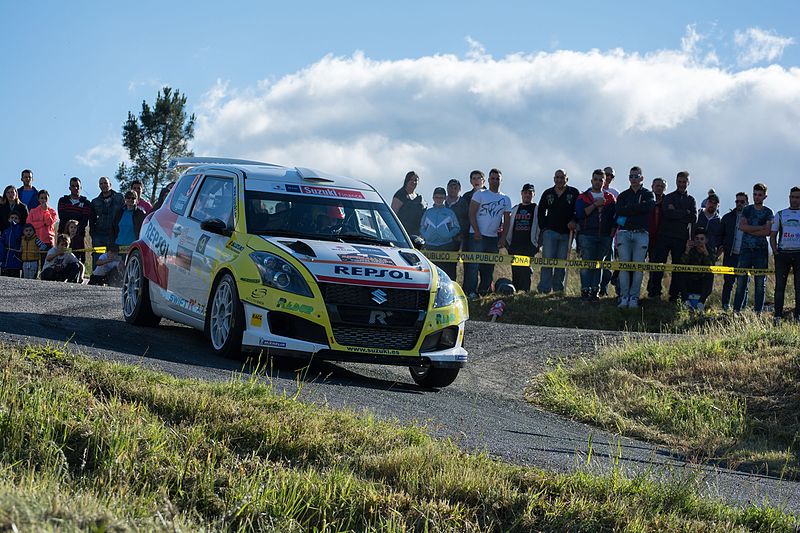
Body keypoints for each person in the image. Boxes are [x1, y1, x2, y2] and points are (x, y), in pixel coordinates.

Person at [648, 171, 697, 302]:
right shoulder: (668, 197)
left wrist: (676, 212)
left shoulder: (691, 199)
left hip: (681, 238)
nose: (681, 184)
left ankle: (674, 296)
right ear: (676, 182)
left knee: (678, 268)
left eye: (684, 182)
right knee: (659, 266)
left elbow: (693, 217)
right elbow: (668, 214)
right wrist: (684, 213)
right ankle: (654, 293)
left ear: (688, 183)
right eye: (679, 181)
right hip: (664, 236)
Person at [463, 168, 512, 298]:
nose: (495, 181)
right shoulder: (480, 194)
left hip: (492, 238)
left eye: (497, 178)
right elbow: (471, 213)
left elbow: (507, 220)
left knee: (488, 267)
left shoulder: (506, 199)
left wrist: (503, 238)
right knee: (473, 266)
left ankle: (483, 292)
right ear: (488, 180)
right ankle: (470, 292)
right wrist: (477, 231)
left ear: (501, 180)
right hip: (476, 235)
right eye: (493, 178)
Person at [614, 166, 655, 309]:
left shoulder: (649, 194)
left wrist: (629, 210)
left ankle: (634, 298)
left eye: (636, 176)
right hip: (624, 233)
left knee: (638, 267)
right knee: (624, 266)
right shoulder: (623, 195)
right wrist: (638, 208)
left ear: (642, 178)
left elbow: (649, 207)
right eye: (631, 176)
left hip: (642, 234)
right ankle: (624, 297)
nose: (633, 179)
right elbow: (619, 211)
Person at [575, 169, 617, 301]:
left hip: (604, 236)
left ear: (604, 182)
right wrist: (595, 205)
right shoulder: (583, 196)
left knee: (599, 264)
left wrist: (612, 232)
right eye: (596, 179)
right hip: (587, 235)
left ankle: (595, 291)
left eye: (601, 180)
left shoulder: (610, 198)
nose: (598, 182)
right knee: (587, 263)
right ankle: (585, 290)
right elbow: (580, 214)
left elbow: (614, 216)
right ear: (591, 180)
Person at [536, 168, 579, 294]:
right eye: (557, 177)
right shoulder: (548, 193)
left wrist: (574, 221)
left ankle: (558, 290)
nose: (560, 180)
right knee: (547, 261)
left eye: (562, 177)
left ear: (567, 179)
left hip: (567, 233)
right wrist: (544, 227)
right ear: (554, 179)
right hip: (550, 233)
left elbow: (579, 210)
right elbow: (541, 211)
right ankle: (544, 289)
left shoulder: (574, 192)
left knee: (561, 263)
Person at [733, 183, 773, 314]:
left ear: (764, 196)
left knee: (760, 284)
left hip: (760, 251)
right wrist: (759, 228)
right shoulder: (747, 209)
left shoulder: (768, 212)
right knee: (741, 283)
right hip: (745, 250)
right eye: (755, 194)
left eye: (760, 195)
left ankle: (758, 312)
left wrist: (751, 230)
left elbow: (767, 232)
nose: (757, 197)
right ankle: (736, 311)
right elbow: (742, 226)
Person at [771, 187, 800, 323]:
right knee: (780, 286)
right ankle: (777, 315)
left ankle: (798, 316)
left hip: (799, 254)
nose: (795, 200)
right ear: (789, 197)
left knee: (799, 287)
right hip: (783, 254)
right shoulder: (781, 214)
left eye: (797, 197)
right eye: (792, 197)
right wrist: (776, 251)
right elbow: (773, 235)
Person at [505, 183, 540, 292]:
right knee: (516, 270)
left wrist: (538, 244)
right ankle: (515, 292)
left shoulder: (537, 209)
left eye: (530, 193)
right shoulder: (515, 208)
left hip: (529, 244)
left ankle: (525, 293)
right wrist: (507, 243)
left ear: (533, 194)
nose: (527, 195)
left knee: (526, 270)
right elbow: (508, 225)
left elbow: (541, 227)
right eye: (525, 192)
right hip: (515, 244)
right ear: (521, 193)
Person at [420, 187, 460, 280]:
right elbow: (422, 227)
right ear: (433, 198)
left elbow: (457, 227)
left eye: (441, 197)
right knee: (431, 272)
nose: (439, 200)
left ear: (445, 198)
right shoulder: (428, 212)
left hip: (446, 246)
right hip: (430, 246)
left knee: (447, 272)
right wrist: (426, 236)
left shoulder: (449, 213)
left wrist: (448, 235)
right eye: (437, 197)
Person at [719, 192, 748, 311]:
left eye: (742, 201)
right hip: (730, 254)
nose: (739, 204)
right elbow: (720, 235)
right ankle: (725, 306)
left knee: (743, 284)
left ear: (747, 203)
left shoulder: (751, 217)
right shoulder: (727, 217)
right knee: (728, 282)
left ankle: (742, 308)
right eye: (737, 201)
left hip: (745, 255)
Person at [695, 193, 723, 305]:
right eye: (710, 202)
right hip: (694, 250)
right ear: (706, 202)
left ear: (718, 205)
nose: (712, 205)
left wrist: (717, 254)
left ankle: (702, 302)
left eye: (714, 203)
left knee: (708, 278)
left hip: (710, 253)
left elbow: (721, 239)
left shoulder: (719, 220)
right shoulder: (698, 214)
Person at [90, 176, 124, 266]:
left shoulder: (119, 198)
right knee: (98, 257)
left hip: (114, 234)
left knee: (112, 258)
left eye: (105, 183)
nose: (103, 185)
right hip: (99, 235)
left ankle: (111, 278)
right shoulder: (95, 202)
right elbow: (92, 219)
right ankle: (96, 277)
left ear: (110, 184)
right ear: (99, 186)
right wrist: (93, 233)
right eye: (101, 183)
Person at [57, 177, 92, 263]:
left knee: (78, 259)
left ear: (81, 188)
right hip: (64, 234)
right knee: (62, 257)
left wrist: (76, 229)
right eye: (73, 186)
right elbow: (62, 216)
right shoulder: (63, 200)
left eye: (77, 186)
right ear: (69, 188)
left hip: (79, 235)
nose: (75, 188)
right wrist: (71, 225)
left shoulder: (86, 202)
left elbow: (85, 218)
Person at [680, 227, 715, 311]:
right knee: (680, 273)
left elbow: (711, 266)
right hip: (690, 281)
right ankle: (686, 301)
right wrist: (687, 250)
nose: (699, 241)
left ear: (706, 240)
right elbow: (681, 264)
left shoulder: (710, 250)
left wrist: (705, 252)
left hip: (702, 283)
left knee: (710, 275)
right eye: (697, 239)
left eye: (702, 239)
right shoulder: (690, 249)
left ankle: (701, 303)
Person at [645, 178, 668, 297]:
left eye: (661, 186)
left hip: (660, 239)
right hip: (644, 236)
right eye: (657, 185)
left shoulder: (667, 202)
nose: (659, 188)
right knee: (635, 263)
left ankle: (654, 291)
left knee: (657, 267)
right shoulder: (646, 198)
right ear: (652, 186)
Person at [391, 171, 426, 237]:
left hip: (416, 234)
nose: (413, 182)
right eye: (411, 180)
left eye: (416, 180)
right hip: (402, 233)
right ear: (406, 180)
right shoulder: (400, 195)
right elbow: (393, 215)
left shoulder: (419, 198)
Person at [0, 212, 23, 277]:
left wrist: (14, 226)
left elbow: (17, 236)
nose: (14, 219)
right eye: (12, 218)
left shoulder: (20, 229)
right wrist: (1, 259)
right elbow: (1, 244)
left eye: (16, 218)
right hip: (6, 258)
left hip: (15, 258)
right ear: (9, 219)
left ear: (19, 220)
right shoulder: (5, 231)